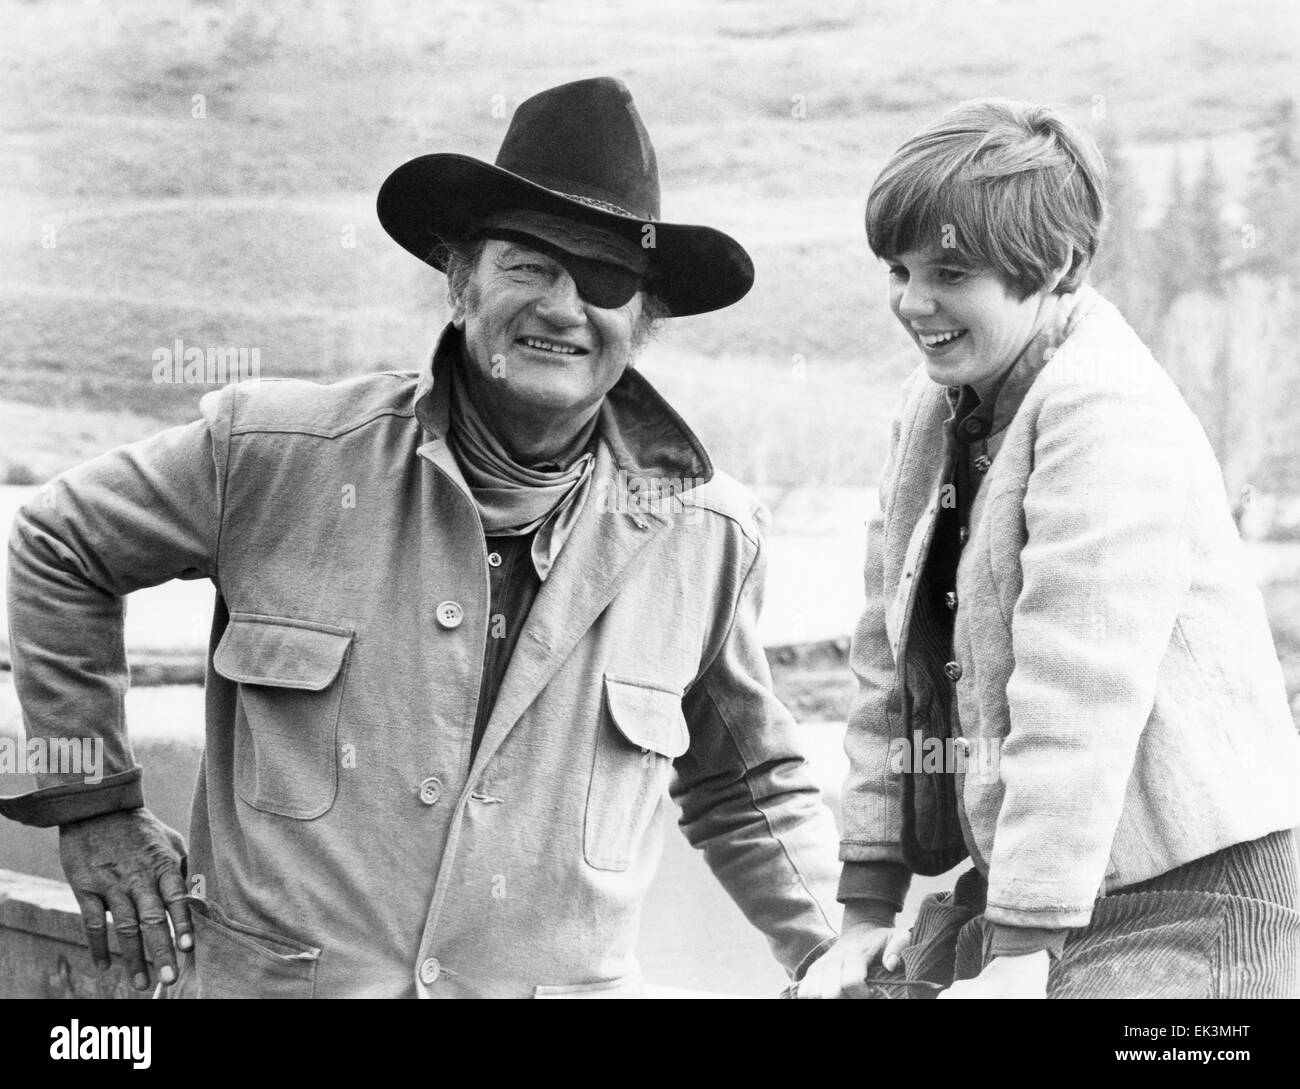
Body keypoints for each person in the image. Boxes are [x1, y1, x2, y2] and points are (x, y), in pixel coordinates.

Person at [0, 77, 842, 998]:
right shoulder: (277, 455)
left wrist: (832, 944)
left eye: (604, 278)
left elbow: (749, 786)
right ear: (460, 283)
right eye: (527, 264)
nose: (563, 307)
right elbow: (57, 543)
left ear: (640, 323)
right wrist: (96, 809)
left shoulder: (709, 536)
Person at [799, 98, 1300, 999]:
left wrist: (1023, 948)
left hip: (1194, 893)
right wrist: (866, 911)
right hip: (1039, 881)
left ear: (1058, 265)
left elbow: (1077, 695)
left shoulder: (1105, 410)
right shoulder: (930, 405)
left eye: (949, 271)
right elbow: (886, 666)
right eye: (898, 268)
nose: (913, 303)